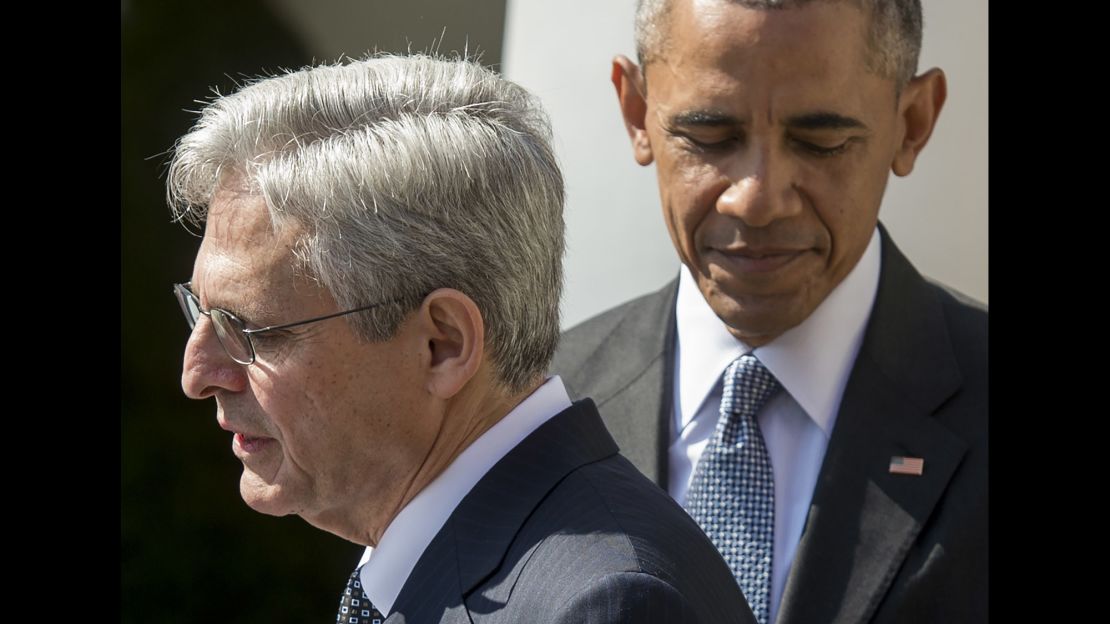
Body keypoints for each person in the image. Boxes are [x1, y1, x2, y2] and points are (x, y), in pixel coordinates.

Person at [167, 54, 755, 624]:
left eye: (247, 330)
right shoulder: (438, 554)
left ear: (442, 344)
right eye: (201, 309)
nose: (196, 374)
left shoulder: (604, 605)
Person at [551, 1, 987, 623]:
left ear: (912, 122)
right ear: (635, 111)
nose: (756, 198)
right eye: (708, 137)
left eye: (821, 142)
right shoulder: (531, 409)